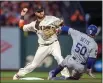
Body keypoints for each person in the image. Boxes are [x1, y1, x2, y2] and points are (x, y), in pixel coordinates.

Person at [13, 5, 70, 80]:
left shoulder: (52, 18)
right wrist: (22, 16)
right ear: (35, 13)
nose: (41, 13)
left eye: (42, 10)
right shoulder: (34, 24)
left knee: (59, 58)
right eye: (39, 11)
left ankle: (66, 76)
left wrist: (58, 30)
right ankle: (18, 74)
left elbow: (62, 24)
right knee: (33, 65)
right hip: (43, 46)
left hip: (54, 43)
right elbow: (21, 27)